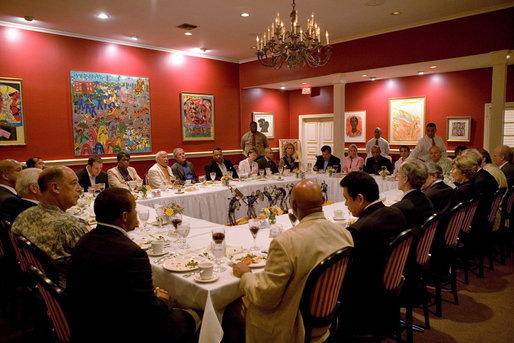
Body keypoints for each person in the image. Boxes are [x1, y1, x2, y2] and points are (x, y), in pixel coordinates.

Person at [67, 188, 199, 343]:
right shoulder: (132, 253)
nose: (136, 213)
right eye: (135, 208)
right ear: (124, 216)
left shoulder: (84, 240)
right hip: (124, 331)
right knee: (195, 313)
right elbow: (149, 311)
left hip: (85, 324)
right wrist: (163, 299)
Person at [231, 179, 353, 343]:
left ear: (293, 207)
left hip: (293, 326)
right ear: (323, 201)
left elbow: (264, 298)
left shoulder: (285, 243)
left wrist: (246, 275)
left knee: (232, 307)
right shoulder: (345, 234)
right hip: (326, 318)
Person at [339, 172, 407, 337]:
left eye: (347, 199)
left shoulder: (359, 230)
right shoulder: (396, 213)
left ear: (360, 199)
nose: (346, 205)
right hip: (393, 281)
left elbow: (350, 273)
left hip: (368, 295)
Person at [12, 166, 88, 286]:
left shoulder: (23, 216)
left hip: (40, 288)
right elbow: (95, 266)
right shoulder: (68, 227)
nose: (79, 188)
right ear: (55, 188)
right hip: (71, 293)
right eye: (74, 183)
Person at [392, 159, 434, 228]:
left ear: (405, 179)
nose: (397, 176)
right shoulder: (426, 199)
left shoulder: (399, 209)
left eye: (399, 173)